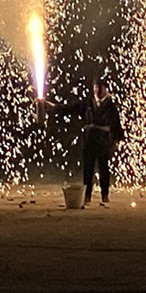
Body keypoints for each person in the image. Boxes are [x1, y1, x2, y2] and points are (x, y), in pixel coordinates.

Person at [42, 77, 124, 205]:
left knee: (104, 170)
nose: (97, 90)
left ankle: (105, 195)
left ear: (106, 89)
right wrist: (53, 106)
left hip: (103, 143)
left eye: (100, 87)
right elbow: (69, 108)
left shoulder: (111, 107)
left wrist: (116, 141)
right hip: (89, 142)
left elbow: (116, 126)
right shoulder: (87, 104)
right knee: (88, 170)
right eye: (95, 87)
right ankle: (87, 196)